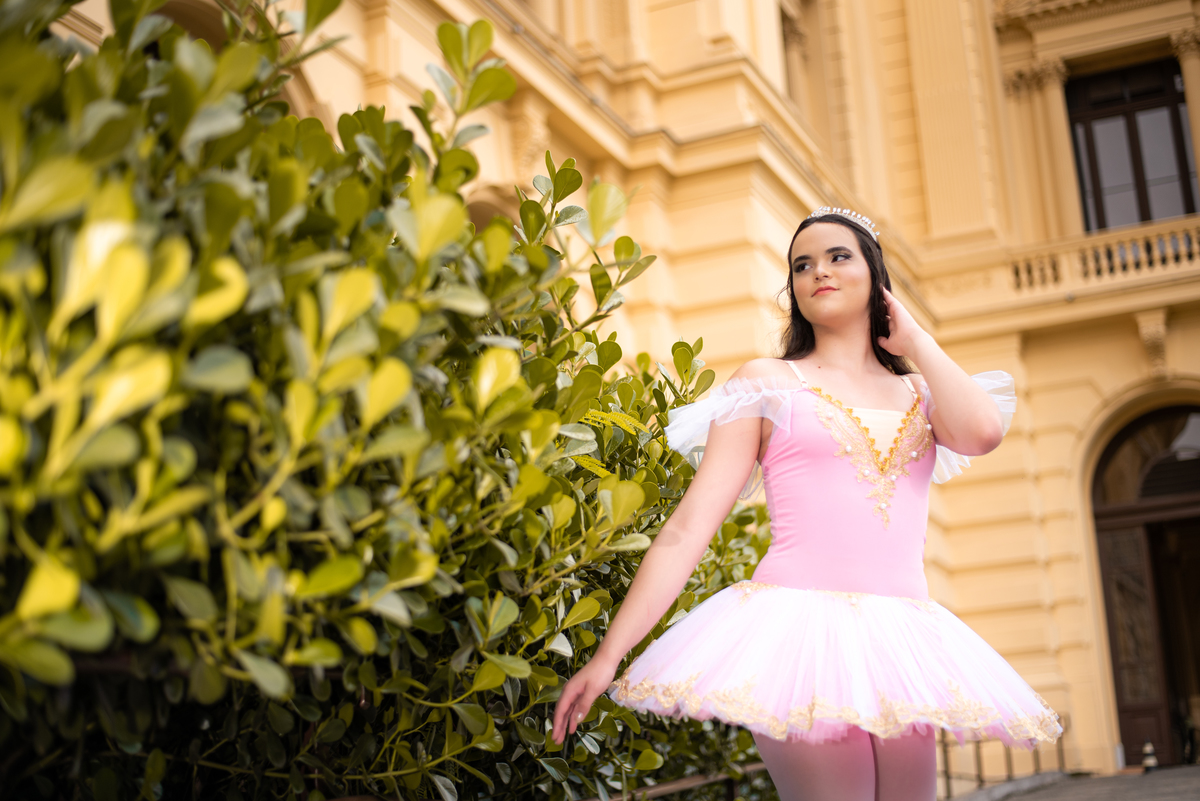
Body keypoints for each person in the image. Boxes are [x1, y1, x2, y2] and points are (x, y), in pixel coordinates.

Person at [550, 207, 1062, 801]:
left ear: (875, 275)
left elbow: (982, 433)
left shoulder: (922, 390)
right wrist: (608, 656)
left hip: (903, 639)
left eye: (838, 256)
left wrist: (917, 340)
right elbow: (688, 528)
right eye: (802, 264)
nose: (818, 271)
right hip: (798, 635)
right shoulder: (768, 382)